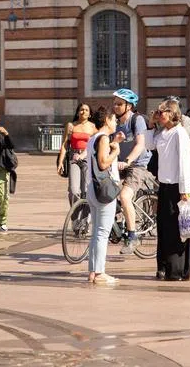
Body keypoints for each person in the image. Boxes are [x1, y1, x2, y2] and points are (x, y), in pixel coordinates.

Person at [146, 98, 190, 281]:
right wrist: (151, 125)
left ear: (172, 113)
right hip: (165, 186)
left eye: (161, 112)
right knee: (164, 227)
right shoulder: (163, 133)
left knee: (178, 229)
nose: (158, 115)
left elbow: (185, 163)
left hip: (178, 187)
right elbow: (149, 145)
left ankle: (178, 269)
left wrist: (185, 189)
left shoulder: (179, 133)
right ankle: (164, 266)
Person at [112, 88, 151, 254]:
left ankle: (132, 236)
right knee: (104, 189)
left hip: (136, 164)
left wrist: (128, 160)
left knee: (124, 196)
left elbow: (140, 144)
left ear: (129, 106)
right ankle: (116, 223)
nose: (116, 107)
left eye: (119, 104)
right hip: (119, 163)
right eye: (114, 104)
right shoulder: (114, 121)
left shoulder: (137, 120)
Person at [85, 104, 120, 286]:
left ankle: (92, 271)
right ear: (107, 120)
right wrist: (116, 152)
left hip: (92, 188)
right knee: (102, 233)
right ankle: (99, 273)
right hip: (104, 190)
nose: (116, 122)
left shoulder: (93, 138)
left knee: (95, 232)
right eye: (114, 119)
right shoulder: (104, 138)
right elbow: (103, 163)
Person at [56, 103, 97, 206]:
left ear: (90, 114)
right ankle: (75, 219)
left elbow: (97, 143)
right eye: (81, 110)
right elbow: (65, 145)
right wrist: (60, 162)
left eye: (86, 110)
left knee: (86, 190)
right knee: (74, 190)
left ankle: (84, 220)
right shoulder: (71, 126)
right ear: (78, 112)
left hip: (87, 157)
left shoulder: (93, 127)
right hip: (73, 157)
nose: (84, 112)